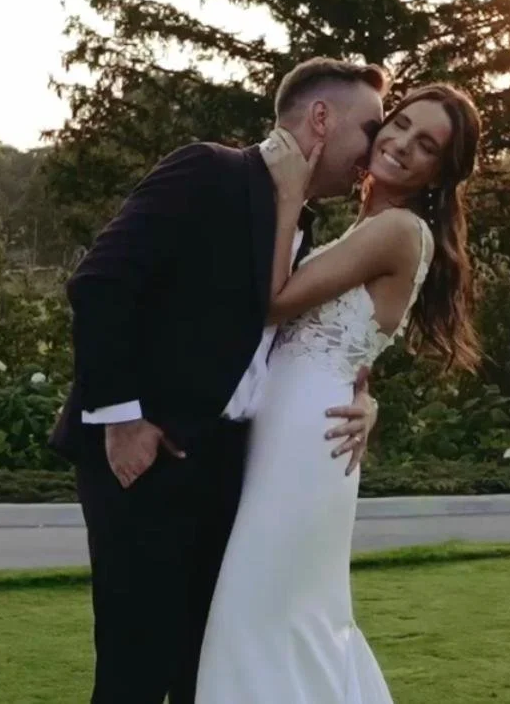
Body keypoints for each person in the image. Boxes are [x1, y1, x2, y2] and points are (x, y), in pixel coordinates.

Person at [49, 57, 391, 703]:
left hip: (232, 467)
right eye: (370, 129)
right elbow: (101, 283)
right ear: (321, 118)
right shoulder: (209, 171)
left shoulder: (300, 224)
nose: (374, 152)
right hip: (146, 461)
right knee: (135, 669)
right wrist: (123, 419)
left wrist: (362, 398)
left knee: (207, 672)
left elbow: (292, 344)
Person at [197, 84, 484, 704]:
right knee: (281, 614)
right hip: (294, 428)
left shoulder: (399, 230)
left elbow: (271, 303)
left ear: (440, 173)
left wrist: (290, 191)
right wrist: (367, 398)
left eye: (426, 144)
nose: (402, 143)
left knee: (259, 611)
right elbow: (349, 342)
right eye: (400, 123)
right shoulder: (371, 228)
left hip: (308, 438)